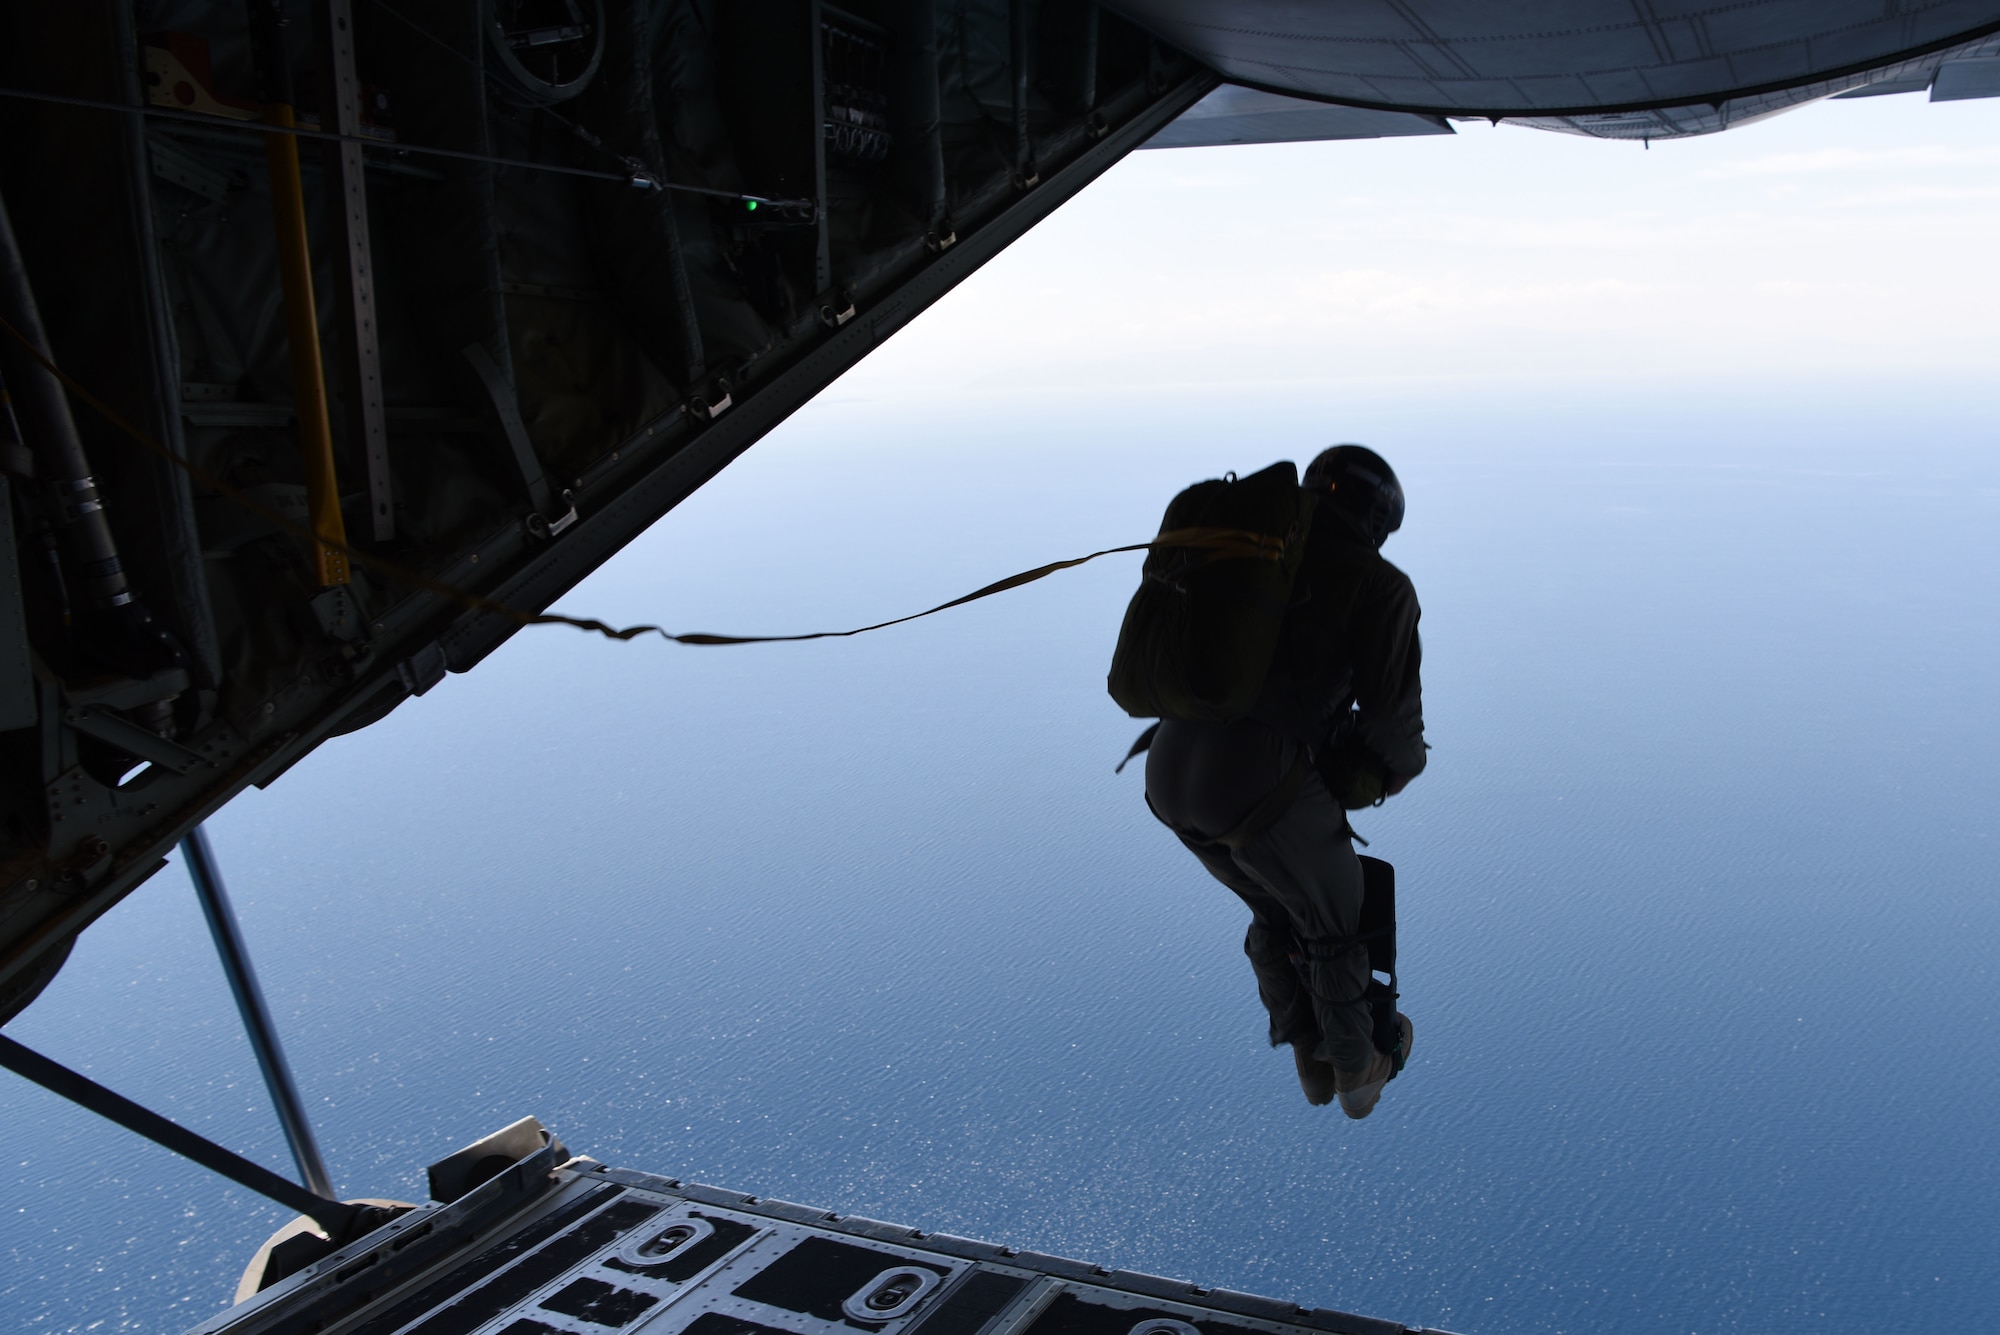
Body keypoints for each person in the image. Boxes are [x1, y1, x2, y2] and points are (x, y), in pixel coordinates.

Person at [1143, 445, 1427, 1117]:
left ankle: (1304, 1044)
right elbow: (1394, 726)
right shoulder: (1379, 585)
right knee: (1339, 918)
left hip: (1168, 764)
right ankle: (1357, 1072)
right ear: (1378, 519)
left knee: (1276, 905)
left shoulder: (1250, 556)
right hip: (1253, 777)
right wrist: (1392, 769)